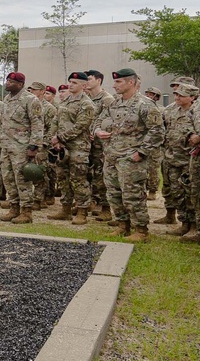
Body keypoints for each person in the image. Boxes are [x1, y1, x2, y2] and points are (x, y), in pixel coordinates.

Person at [92, 68, 163, 242]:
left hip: (131, 158)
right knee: (114, 193)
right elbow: (97, 121)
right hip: (111, 156)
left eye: (119, 82)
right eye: (115, 82)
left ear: (131, 82)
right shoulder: (113, 103)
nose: (114, 85)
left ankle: (141, 230)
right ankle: (123, 225)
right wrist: (97, 131)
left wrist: (142, 152)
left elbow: (157, 131)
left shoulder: (144, 104)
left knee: (132, 194)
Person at [47, 72, 96, 225]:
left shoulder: (87, 104)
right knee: (63, 178)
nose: (71, 84)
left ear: (84, 85)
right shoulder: (65, 101)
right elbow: (56, 120)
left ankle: (82, 210)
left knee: (78, 179)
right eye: (70, 82)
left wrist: (60, 138)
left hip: (78, 147)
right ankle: (65, 208)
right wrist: (54, 138)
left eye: (75, 82)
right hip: (61, 147)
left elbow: (81, 126)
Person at [0, 72, 44, 224]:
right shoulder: (7, 99)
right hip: (6, 146)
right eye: (7, 80)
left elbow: (37, 123)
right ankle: (14, 207)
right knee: (8, 178)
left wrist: (34, 146)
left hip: (22, 147)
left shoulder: (30, 100)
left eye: (11, 81)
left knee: (22, 180)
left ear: (20, 84)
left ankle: (26, 211)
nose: (8, 83)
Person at [157, 83, 197, 238]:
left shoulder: (195, 113)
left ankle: (193, 226)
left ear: (192, 97)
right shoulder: (171, 111)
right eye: (176, 94)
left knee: (190, 193)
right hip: (172, 159)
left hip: (189, 160)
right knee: (177, 192)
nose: (177, 97)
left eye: (181, 95)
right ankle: (184, 223)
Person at [85, 69, 115, 220]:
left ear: (98, 80)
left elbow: (112, 122)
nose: (86, 81)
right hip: (86, 144)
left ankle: (106, 208)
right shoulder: (86, 98)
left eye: (89, 79)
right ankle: (91, 201)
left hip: (101, 145)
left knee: (102, 176)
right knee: (88, 175)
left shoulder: (107, 99)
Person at [27, 82, 56, 208]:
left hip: (41, 145)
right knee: (28, 171)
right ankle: (31, 197)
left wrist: (44, 143)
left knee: (39, 172)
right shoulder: (29, 104)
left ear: (42, 92)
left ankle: (39, 199)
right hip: (27, 142)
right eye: (30, 89)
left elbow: (52, 128)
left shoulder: (49, 108)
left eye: (34, 90)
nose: (31, 91)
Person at [143, 86, 165, 200]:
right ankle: (142, 189)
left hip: (155, 145)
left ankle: (152, 190)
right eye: (147, 93)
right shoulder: (142, 107)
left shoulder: (161, 110)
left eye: (151, 94)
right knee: (142, 168)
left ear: (157, 97)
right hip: (143, 142)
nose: (148, 96)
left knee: (153, 168)